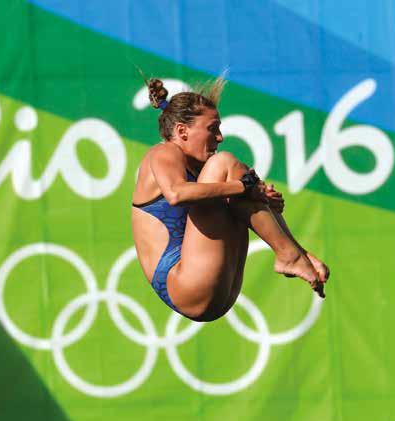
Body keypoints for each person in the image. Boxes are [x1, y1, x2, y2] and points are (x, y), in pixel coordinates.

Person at [131, 77, 329, 322]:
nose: (220, 137)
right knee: (227, 165)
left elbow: (237, 190)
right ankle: (290, 256)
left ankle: (298, 256)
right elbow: (176, 194)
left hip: (216, 291)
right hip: (182, 283)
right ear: (182, 131)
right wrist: (242, 187)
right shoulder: (163, 152)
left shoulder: (203, 170)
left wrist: (261, 199)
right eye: (212, 129)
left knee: (240, 175)